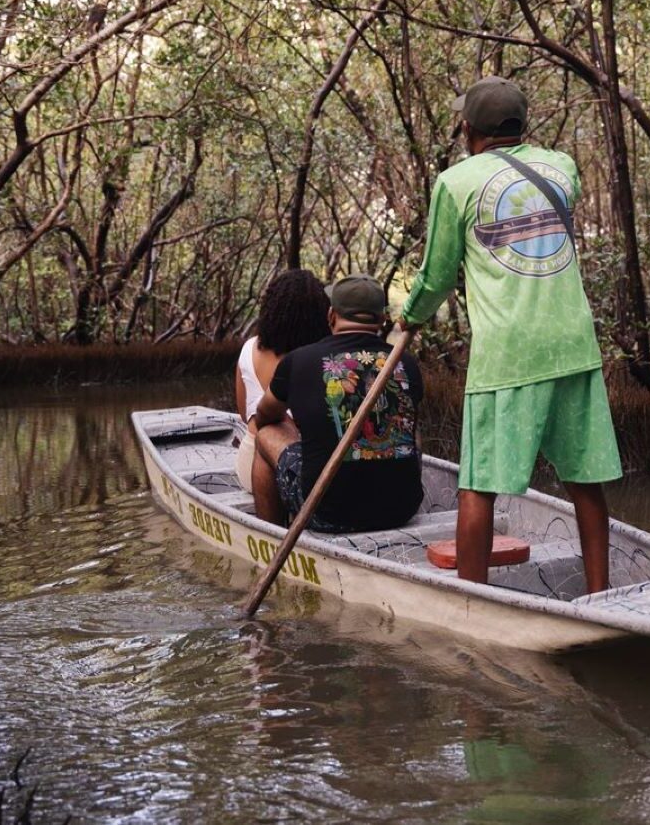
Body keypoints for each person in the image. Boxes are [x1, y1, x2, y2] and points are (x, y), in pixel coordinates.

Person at [397, 76, 622, 594]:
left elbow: (435, 276)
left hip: (509, 350)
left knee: (479, 485)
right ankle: (601, 594)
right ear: (523, 125)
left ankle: (472, 600)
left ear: (468, 128)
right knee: (584, 482)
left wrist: (408, 318)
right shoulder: (561, 167)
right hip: (572, 342)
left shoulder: (455, 183)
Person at [248, 274, 425, 533]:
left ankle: (271, 536)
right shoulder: (406, 363)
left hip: (326, 513)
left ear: (331, 315)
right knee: (411, 426)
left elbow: (264, 415)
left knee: (266, 434)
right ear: (382, 319)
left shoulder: (300, 361)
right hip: (403, 509)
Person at [233, 269, 332, 489]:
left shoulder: (249, 348)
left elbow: (243, 413)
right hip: (308, 468)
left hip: (249, 466)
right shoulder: (323, 359)